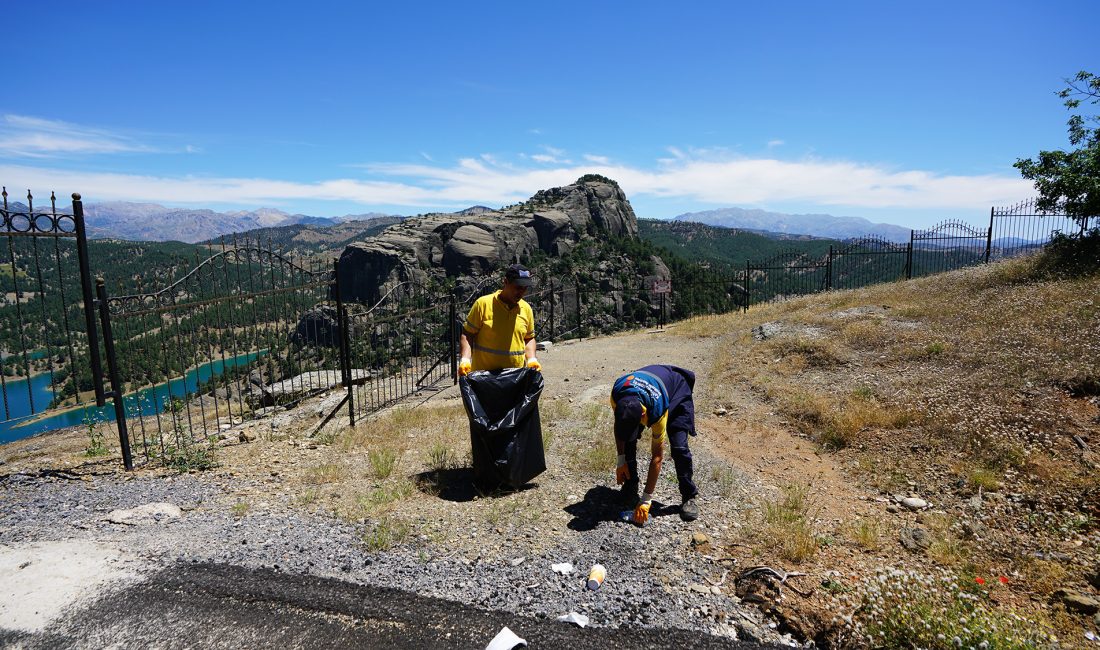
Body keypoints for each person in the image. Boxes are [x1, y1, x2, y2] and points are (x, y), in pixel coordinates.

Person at [610, 364, 699, 523]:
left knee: (679, 447)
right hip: (653, 385)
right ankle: (630, 486)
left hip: (677, 391)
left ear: (643, 414)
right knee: (629, 441)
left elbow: (657, 457)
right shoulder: (617, 395)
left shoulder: (657, 411)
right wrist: (621, 460)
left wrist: (646, 499)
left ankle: (688, 496)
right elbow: (619, 428)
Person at [458, 263, 541, 375]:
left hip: (515, 377)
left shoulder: (526, 309)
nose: (521, 292)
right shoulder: (483, 304)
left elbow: (529, 338)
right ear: (505, 282)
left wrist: (532, 359)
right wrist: (465, 360)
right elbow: (468, 334)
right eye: (518, 287)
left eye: (525, 288)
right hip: (484, 378)